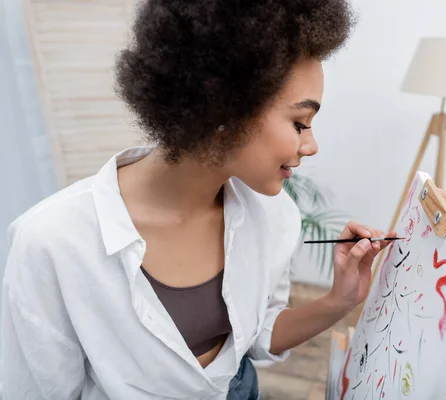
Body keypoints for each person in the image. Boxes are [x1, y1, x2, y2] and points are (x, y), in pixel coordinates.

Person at [1, 1, 395, 399]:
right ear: (224, 107)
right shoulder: (51, 243)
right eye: (300, 123)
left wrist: (338, 301)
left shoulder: (275, 214)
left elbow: (256, 338)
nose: (311, 145)